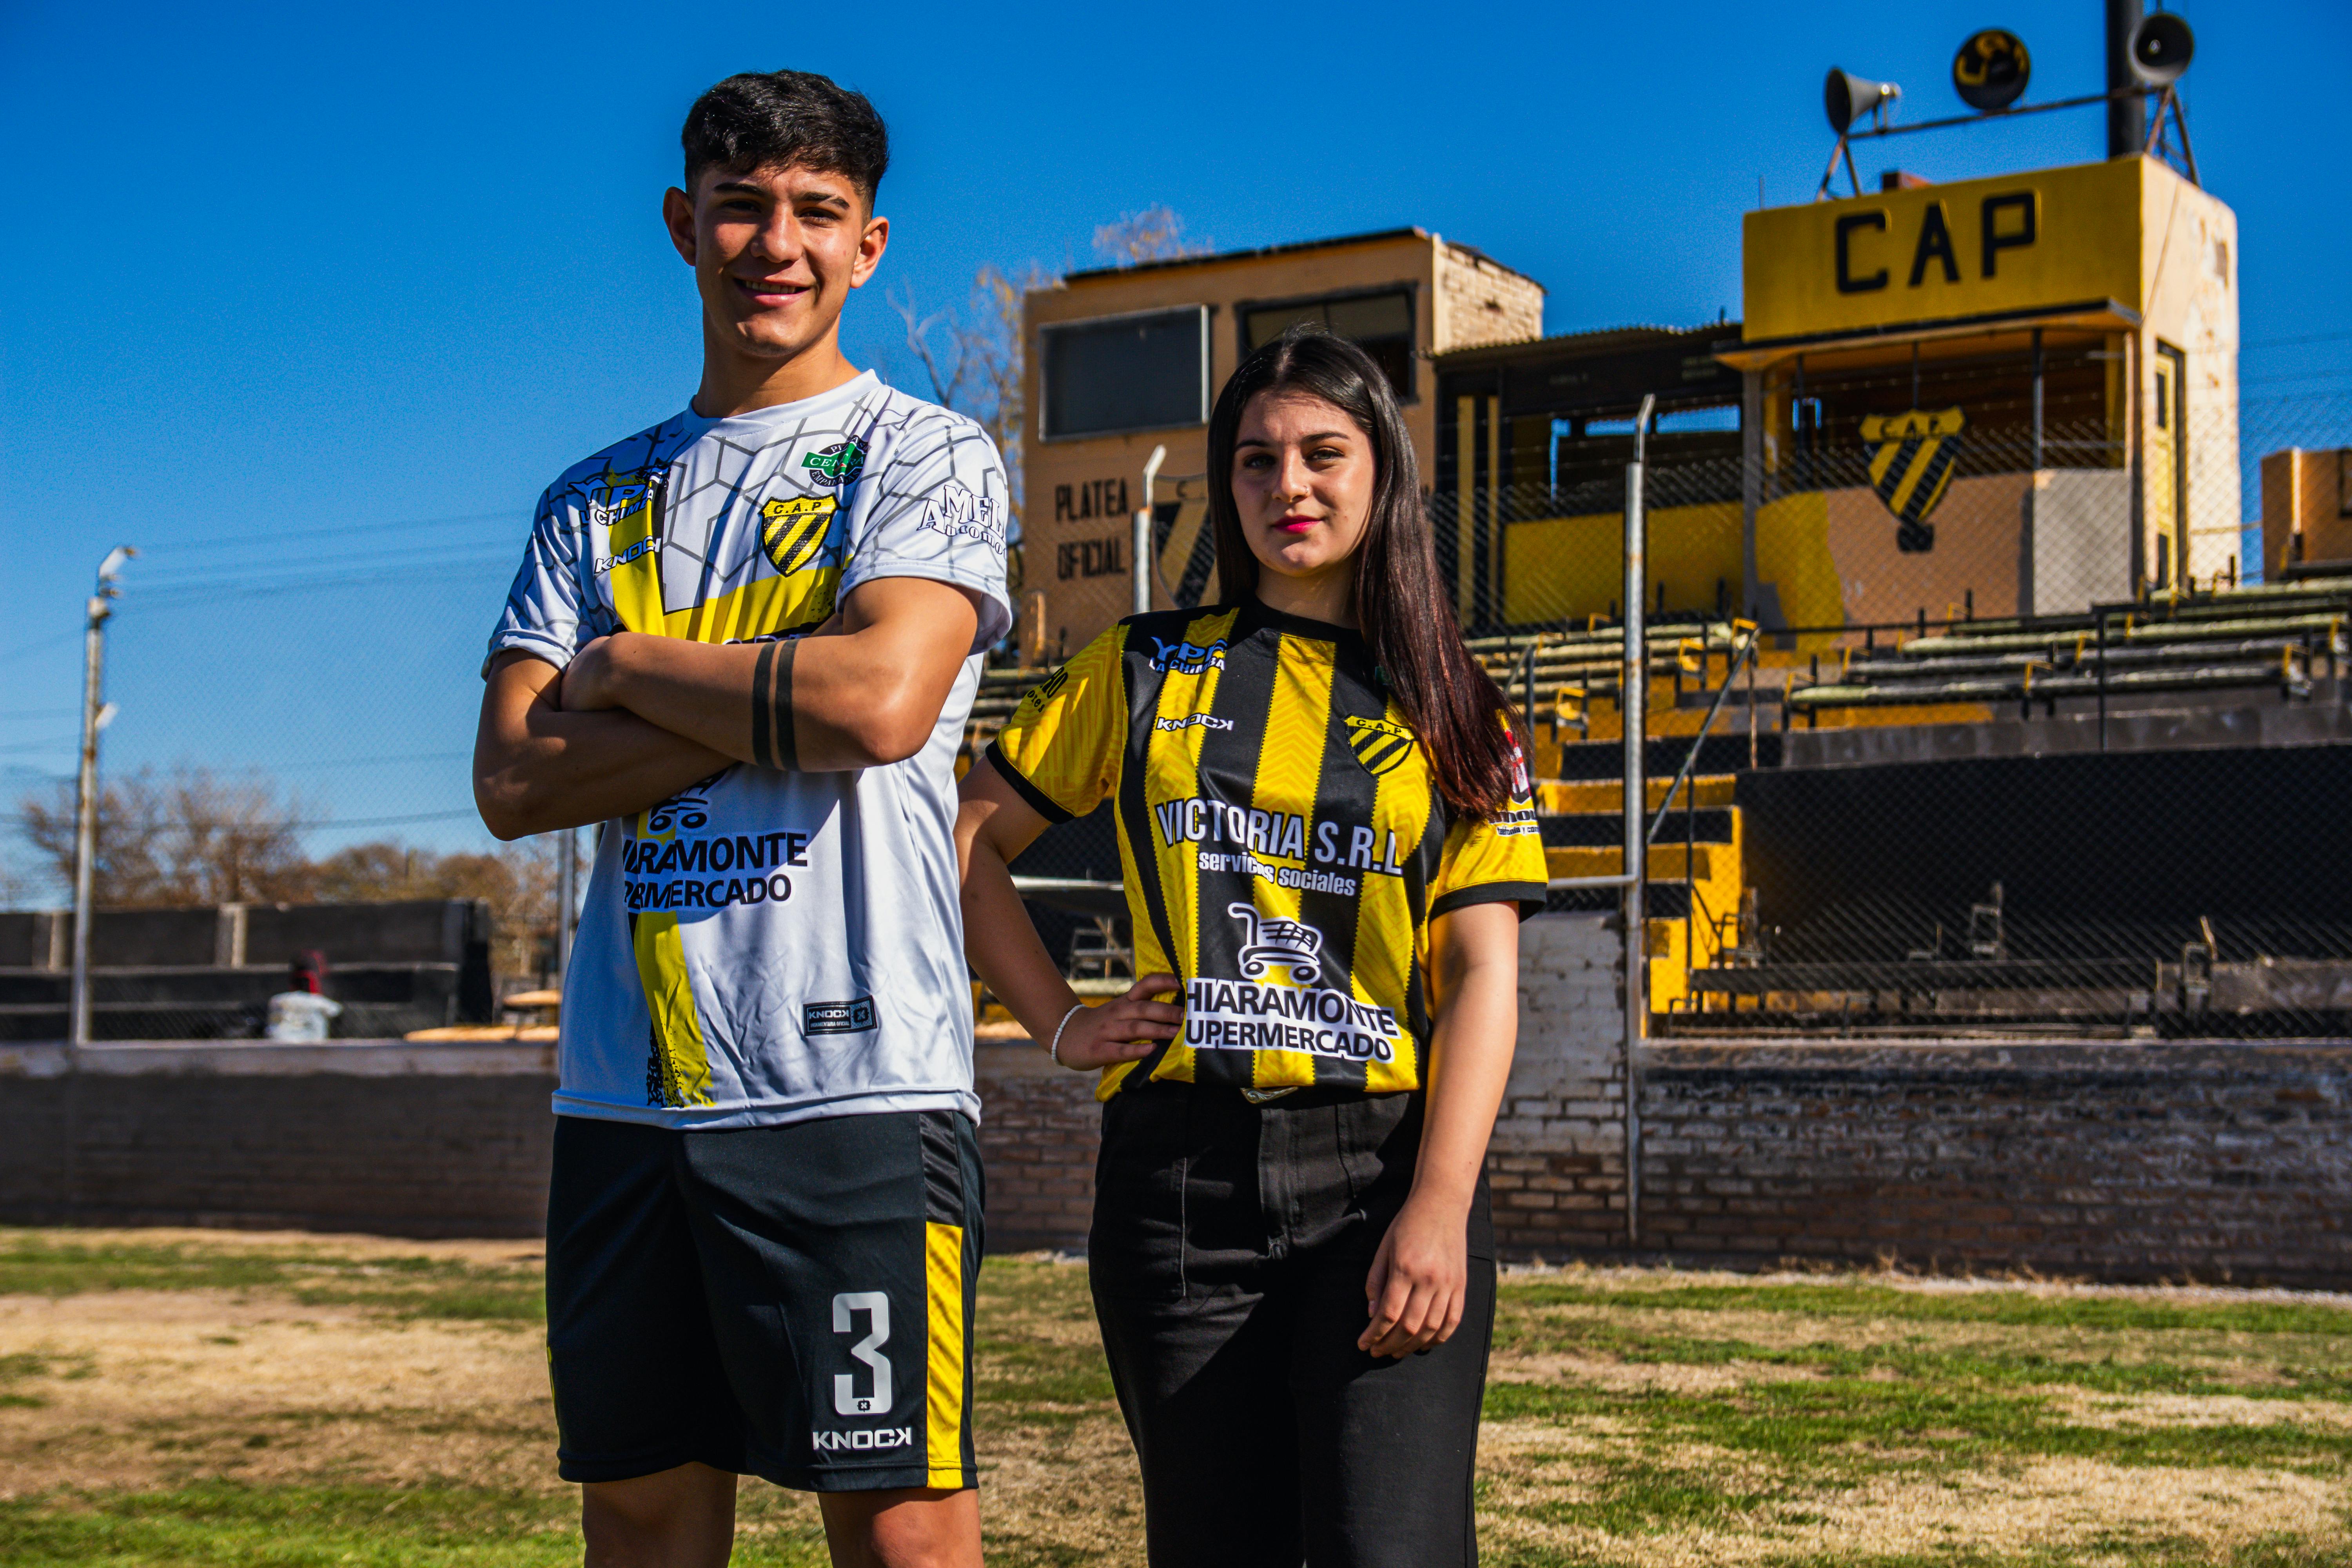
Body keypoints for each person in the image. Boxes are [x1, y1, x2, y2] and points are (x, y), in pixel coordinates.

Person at [472, 68, 1008, 1568]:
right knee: (640, 1508)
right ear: (683, 224)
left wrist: (629, 669)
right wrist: (775, 691)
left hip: (857, 1087)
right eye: (743, 206)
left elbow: (879, 707)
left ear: (870, 245)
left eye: (816, 214)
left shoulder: (925, 455)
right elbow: (513, 781)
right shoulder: (590, 503)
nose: (777, 243)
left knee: (898, 1521)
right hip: (623, 1100)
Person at [956, 327, 1546, 1567]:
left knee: (1392, 1550)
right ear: (1223, 485)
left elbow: (1484, 972)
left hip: (1383, 1176)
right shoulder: (1141, 668)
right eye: (1257, 460)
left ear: (1381, 471)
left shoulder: (1459, 703)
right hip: (1182, 1187)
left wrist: (1439, 1205)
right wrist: (1060, 1023)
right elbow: (961, 846)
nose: (1292, 486)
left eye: (1326, 454)